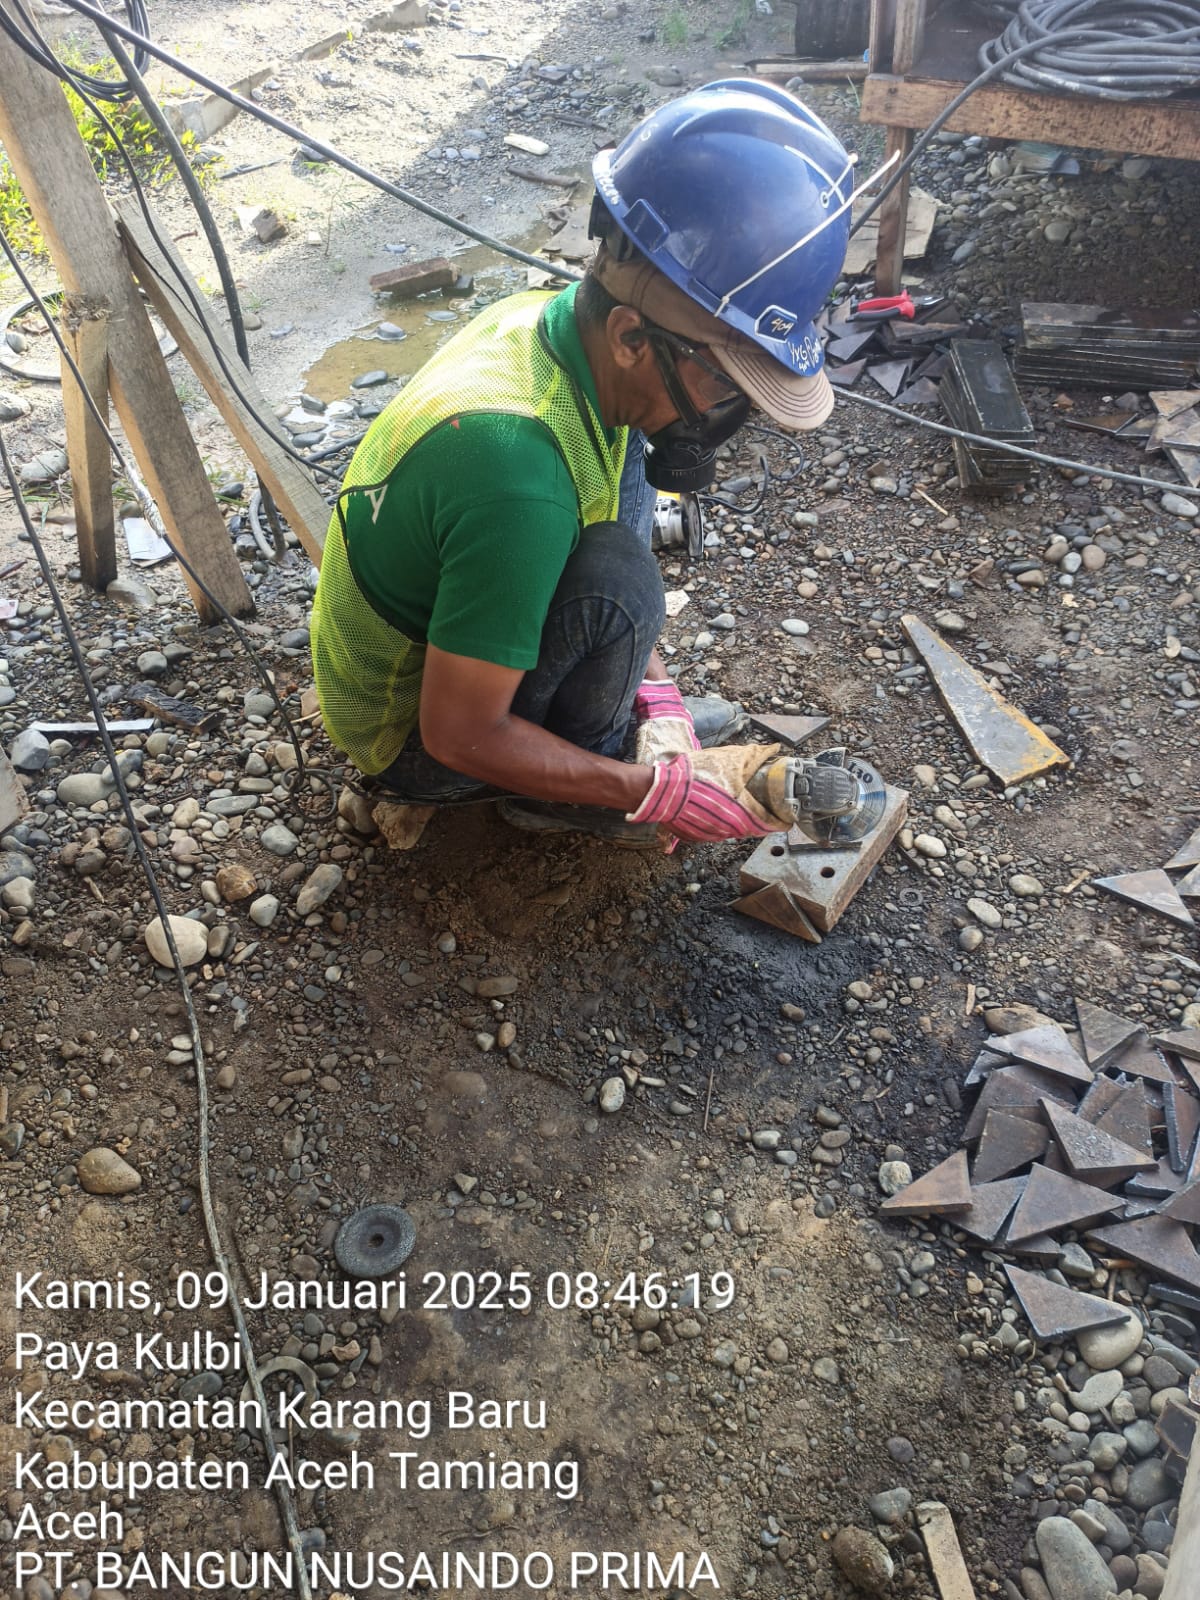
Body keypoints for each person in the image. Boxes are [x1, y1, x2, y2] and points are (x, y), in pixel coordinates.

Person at [311, 79, 855, 846]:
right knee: (623, 582)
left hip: (448, 634)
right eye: (725, 385)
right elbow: (456, 736)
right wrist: (652, 791)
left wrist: (658, 696)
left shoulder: (555, 331)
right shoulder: (515, 480)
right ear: (632, 337)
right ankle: (577, 786)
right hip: (411, 739)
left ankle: (612, 732)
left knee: (629, 478)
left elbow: (597, 499)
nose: (728, 414)